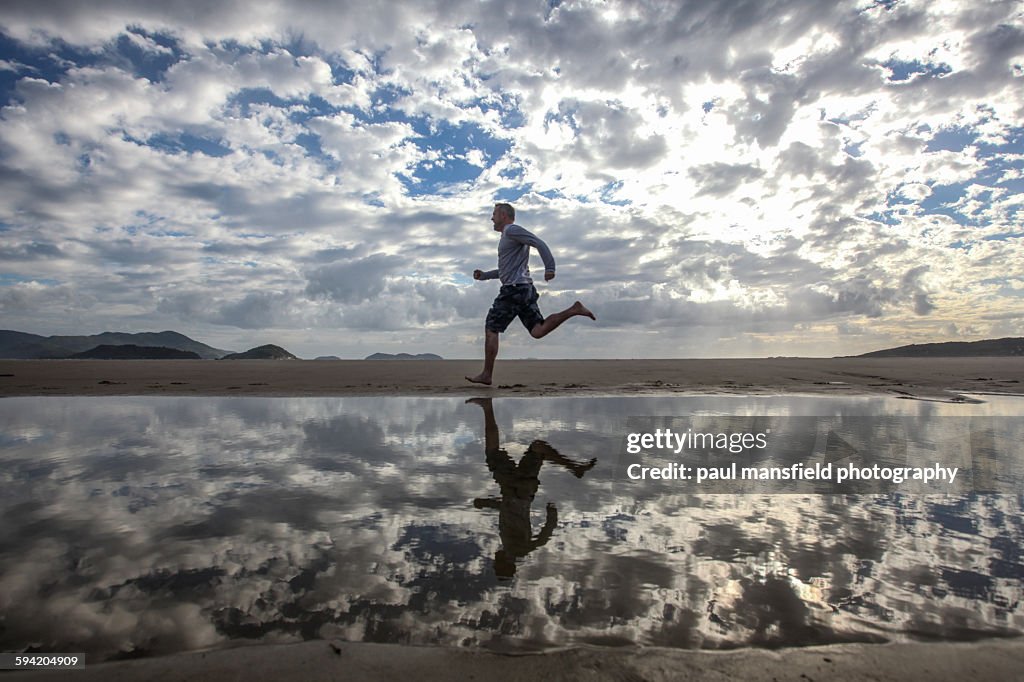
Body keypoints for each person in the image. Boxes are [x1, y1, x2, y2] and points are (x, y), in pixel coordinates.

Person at [466, 203, 595, 385]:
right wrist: (485, 276)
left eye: (494, 214)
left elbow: (538, 242)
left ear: (503, 215)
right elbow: (506, 270)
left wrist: (550, 267)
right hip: (524, 289)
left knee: (492, 327)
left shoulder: (512, 230)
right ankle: (573, 310)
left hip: (514, 290)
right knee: (537, 330)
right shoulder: (507, 237)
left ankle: (487, 374)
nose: (491, 218)